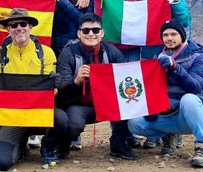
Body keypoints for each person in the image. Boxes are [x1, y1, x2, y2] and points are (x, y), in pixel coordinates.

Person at [6, 0, 91, 150]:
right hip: (22, 36)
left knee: (54, 83)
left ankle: (59, 128)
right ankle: (26, 129)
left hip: (46, 38)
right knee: (25, 80)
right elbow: (4, 1)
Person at [50, 13, 139, 161]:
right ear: (79, 33)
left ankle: (118, 144)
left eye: (95, 30)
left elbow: (125, 78)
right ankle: (63, 144)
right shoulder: (68, 54)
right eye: (86, 31)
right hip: (78, 104)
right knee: (74, 125)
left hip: (106, 102)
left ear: (102, 33)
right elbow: (61, 88)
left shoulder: (112, 52)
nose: (91, 34)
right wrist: (76, 81)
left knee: (127, 101)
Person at [0, 8, 59, 170]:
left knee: (62, 120)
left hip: (39, 112)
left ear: (30, 26)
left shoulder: (47, 53)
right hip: (13, 117)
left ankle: (51, 147)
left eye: (23, 23)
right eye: (14, 25)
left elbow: (52, 89)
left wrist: (48, 90)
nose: (19, 28)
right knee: (1, 163)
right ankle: (21, 145)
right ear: (8, 29)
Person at [127, 20, 203, 168]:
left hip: (189, 115)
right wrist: (150, 107)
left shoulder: (197, 56)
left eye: (174, 34)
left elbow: (196, 86)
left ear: (182, 36)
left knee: (189, 99)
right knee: (134, 124)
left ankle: (202, 146)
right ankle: (169, 135)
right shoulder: (158, 56)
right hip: (166, 112)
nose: (169, 38)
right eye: (165, 35)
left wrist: (175, 68)